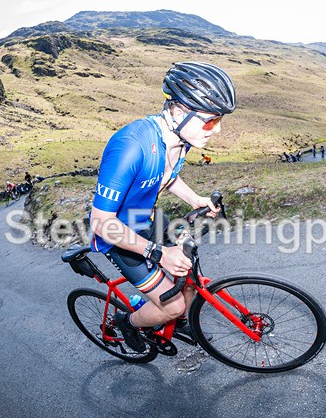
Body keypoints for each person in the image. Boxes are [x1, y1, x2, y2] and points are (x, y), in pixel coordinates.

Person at [88, 61, 236, 352]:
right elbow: (101, 223)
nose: (215, 131)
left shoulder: (180, 137)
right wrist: (158, 253)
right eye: (210, 121)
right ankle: (127, 322)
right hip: (116, 235)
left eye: (218, 121)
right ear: (180, 110)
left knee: (189, 271)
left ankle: (176, 318)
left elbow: (165, 177)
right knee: (173, 304)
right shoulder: (131, 146)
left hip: (146, 219)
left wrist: (196, 200)